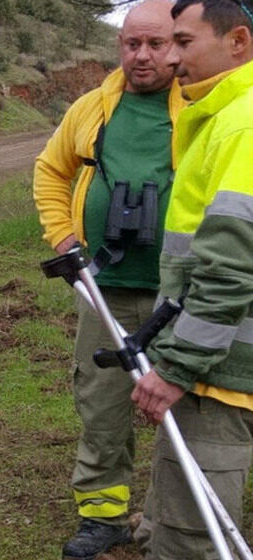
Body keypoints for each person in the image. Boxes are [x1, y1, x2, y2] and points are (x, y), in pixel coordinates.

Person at [31, 2, 184, 556]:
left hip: (179, 293)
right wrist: (63, 238)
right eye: (131, 43)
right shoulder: (92, 108)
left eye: (156, 44)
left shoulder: (202, 107)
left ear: (180, 44)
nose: (141, 55)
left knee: (184, 410)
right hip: (103, 290)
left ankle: (169, 521)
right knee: (101, 406)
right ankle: (103, 515)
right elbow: (51, 170)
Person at [130, 0, 253, 557]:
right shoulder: (221, 116)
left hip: (219, 369)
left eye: (184, 42)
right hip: (221, 359)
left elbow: (229, 268)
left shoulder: (240, 125)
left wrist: (179, 364)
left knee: (193, 534)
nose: (171, 59)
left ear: (238, 42)